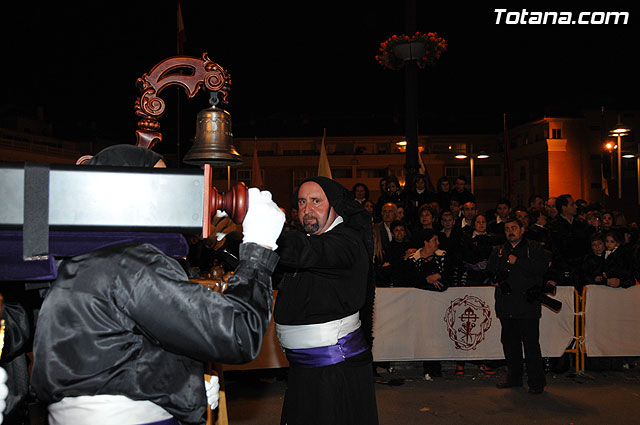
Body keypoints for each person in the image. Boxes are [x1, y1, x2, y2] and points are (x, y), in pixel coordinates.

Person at [31, 145, 286, 425]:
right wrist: (259, 248)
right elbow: (237, 333)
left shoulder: (76, 255)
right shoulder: (129, 262)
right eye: (160, 184)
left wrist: (182, 384)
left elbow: (119, 350)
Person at [274, 176, 378, 425]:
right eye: (301, 202)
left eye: (316, 201)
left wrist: (265, 233)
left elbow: (307, 252)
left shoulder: (346, 241)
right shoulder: (309, 244)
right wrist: (225, 240)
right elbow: (268, 269)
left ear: (334, 206)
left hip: (335, 372)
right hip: (303, 369)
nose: (307, 210)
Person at [488, 216, 548, 394]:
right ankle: (514, 378)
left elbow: (542, 268)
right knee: (510, 343)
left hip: (527, 305)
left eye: (513, 228)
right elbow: (491, 270)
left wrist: (518, 262)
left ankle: (536, 382)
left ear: (522, 229)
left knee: (530, 345)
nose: (510, 232)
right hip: (507, 305)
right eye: (506, 229)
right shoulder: (499, 250)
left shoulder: (533, 248)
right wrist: (493, 280)